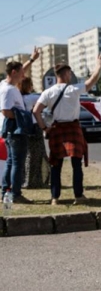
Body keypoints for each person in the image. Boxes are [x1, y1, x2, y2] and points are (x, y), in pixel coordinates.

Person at [33, 54, 101, 206]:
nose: (70, 76)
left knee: (56, 165)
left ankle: (55, 198)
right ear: (65, 74)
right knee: (76, 164)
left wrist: (44, 127)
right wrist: (98, 65)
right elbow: (92, 81)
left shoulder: (48, 92)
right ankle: (78, 196)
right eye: (69, 73)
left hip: (57, 129)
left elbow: (35, 111)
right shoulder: (72, 89)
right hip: (72, 128)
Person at [0, 47, 40, 203]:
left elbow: (21, 69)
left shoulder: (6, 83)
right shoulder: (8, 90)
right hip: (15, 132)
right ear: (14, 73)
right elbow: (5, 111)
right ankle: (14, 194)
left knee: (11, 162)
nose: (24, 74)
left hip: (14, 131)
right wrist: (21, 118)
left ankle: (6, 193)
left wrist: (32, 59)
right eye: (21, 72)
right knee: (17, 163)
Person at [19, 77, 50, 189]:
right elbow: (45, 101)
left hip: (22, 129)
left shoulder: (18, 98)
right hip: (34, 127)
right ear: (29, 86)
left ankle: (24, 180)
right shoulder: (31, 97)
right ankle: (36, 180)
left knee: (26, 155)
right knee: (38, 155)